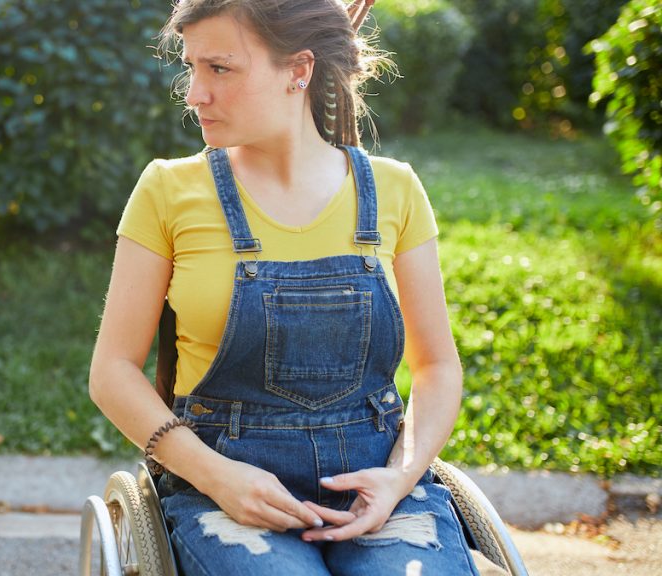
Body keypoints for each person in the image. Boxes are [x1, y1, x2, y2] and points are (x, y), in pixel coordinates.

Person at [89, 0, 480, 574]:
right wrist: (217, 477)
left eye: (219, 68)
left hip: (378, 488)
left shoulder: (393, 190)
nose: (195, 92)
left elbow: (437, 367)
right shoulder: (167, 191)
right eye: (191, 67)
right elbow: (112, 373)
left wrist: (399, 477)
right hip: (220, 490)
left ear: (299, 70)